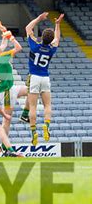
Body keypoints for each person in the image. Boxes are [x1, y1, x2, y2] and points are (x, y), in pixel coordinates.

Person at [0, 21, 30, 152]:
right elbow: (18, 48)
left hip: (10, 88)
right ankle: (4, 146)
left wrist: (2, 29)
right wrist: (11, 37)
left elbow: (4, 43)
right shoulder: (2, 57)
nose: (2, 46)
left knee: (32, 91)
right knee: (7, 120)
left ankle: (25, 114)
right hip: (6, 91)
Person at [24, 12, 64, 146]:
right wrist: (57, 24)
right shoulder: (52, 49)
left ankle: (34, 132)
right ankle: (46, 125)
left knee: (33, 106)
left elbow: (28, 29)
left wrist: (39, 19)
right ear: (50, 39)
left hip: (34, 77)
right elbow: (57, 38)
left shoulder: (35, 45)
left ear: (41, 37)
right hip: (45, 78)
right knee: (47, 105)